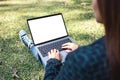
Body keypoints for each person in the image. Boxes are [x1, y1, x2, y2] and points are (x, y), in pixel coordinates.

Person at [19, 0, 120, 80]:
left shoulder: (81, 59)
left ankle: (30, 45)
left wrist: (53, 62)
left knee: (47, 56)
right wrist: (80, 49)